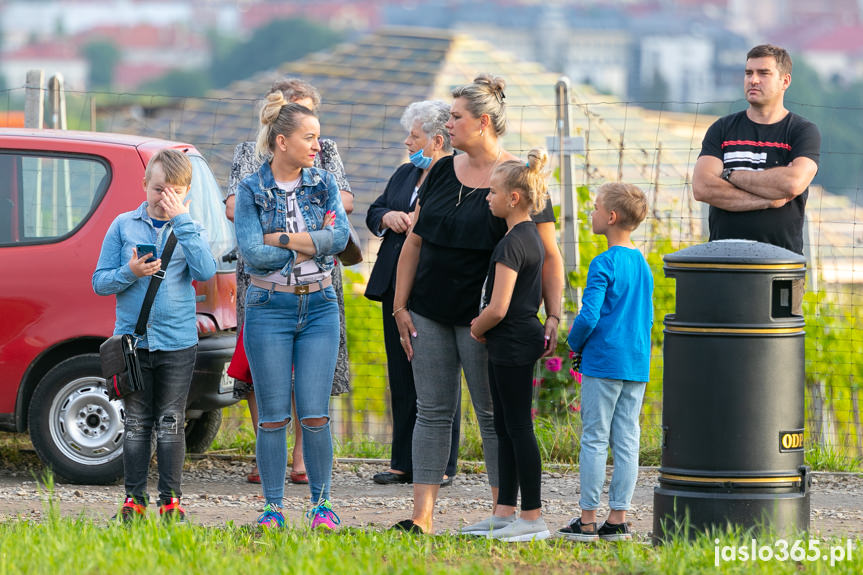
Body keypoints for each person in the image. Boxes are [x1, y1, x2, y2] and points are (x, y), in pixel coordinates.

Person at [391, 74, 564, 535]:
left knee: (492, 415)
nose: (448, 124)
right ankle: (422, 517)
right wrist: (400, 307)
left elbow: (549, 256)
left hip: (486, 321)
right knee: (431, 411)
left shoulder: (519, 179)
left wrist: (554, 314)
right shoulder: (442, 171)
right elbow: (414, 243)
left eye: (456, 117)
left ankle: (501, 513)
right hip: (428, 310)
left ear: (483, 122)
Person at [225, 78, 354, 486]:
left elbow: (340, 239)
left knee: (316, 413)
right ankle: (273, 506)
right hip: (268, 305)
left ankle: (322, 504)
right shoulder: (251, 186)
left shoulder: (324, 181)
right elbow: (252, 254)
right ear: (282, 140)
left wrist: (280, 239)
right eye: (309, 137)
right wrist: (311, 246)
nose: (318, 146)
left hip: (319, 302)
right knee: (272, 412)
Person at [93, 149, 217, 522]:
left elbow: (206, 270)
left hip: (178, 343)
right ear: (145, 185)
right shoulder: (122, 225)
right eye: (159, 189)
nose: (165, 198)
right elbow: (99, 282)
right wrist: (129, 272)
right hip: (133, 344)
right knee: (135, 423)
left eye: (175, 191)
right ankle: (133, 502)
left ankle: (171, 503)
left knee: (170, 422)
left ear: (186, 194)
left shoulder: (190, 226)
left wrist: (183, 222)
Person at [365, 100, 460, 487]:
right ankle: (402, 461)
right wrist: (388, 217)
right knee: (401, 375)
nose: (407, 142)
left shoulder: (455, 177)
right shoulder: (405, 174)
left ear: (437, 140)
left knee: (436, 379)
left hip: (430, 287)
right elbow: (375, 211)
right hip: (393, 286)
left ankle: (441, 465)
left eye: (414, 136)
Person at [556, 182, 653, 543]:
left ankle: (586, 520)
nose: (591, 213)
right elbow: (647, 317)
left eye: (595, 208)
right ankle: (618, 519)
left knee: (595, 438)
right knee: (627, 440)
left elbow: (589, 315)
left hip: (603, 361)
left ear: (611, 217)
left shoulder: (604, 263)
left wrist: (574, 344)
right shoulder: (643, 265)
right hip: (635, 363)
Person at [468, 148, 552, 542]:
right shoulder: (528, 235)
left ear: (513, 198)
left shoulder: (511, 244)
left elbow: (498, 306)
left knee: (518, 426)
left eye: (493, 192)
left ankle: (532, 517)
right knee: (504, 425)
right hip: (512, 342)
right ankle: (505, 512)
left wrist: (477, 326)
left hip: (512, 341)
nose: (488, 197)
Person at [692, 45, 820, 257]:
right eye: (748, 73)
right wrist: (769, 199)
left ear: (785, 81)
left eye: (764, 73)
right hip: (723, 261)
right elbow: (702, 187)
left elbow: (792, 183)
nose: (753, 80)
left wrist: (729, 175)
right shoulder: (722, 129)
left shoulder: (802, 131)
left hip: (781, 263)